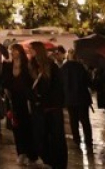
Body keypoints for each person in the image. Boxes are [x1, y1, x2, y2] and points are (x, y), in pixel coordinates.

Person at [29, 41, 67, 169]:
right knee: (41, 136)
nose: (30, 51)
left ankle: (58, 163)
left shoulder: (51, 66)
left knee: (56, 136)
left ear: (37, 50)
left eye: (32, 49)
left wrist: (52, 101)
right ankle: (48, 160)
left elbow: (57, 86)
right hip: (39, 106)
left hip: (52, 106)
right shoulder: (31, 65)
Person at [3, 43, 36, 164]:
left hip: (25, 100)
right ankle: (21, 152)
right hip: (13, 100)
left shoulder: (27, 65)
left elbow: (32, 81)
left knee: (28, 126)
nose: (13, 52)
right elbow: (4, 82)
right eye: (12, 50)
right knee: (16, 127)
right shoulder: (7, 65)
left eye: (15, 50)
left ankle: (31, 154)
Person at [60, 48, 93, 153]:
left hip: (70, 98)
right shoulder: (81, 67)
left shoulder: (63, 68)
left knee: (73, 120)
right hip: (82, 98)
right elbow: (88, 82)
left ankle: (76, 140)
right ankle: (88, 142)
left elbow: (61, 84)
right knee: (85, 121)